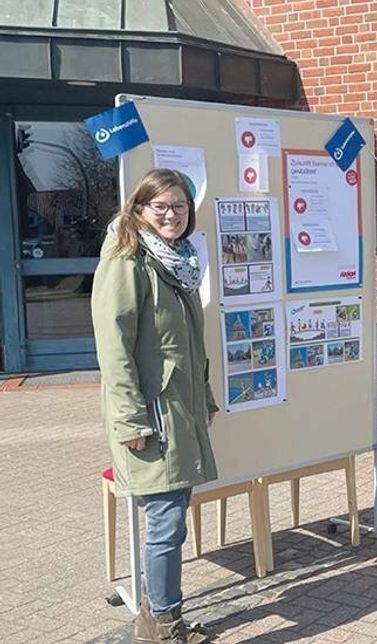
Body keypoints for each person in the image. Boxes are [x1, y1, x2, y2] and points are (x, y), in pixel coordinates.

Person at [91, 169, 218, 643]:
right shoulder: (128, 260)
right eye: (160, 206)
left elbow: (188, 346)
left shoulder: (176, 261)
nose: (171, 214)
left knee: (172, 518)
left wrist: (204, 397)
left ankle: (157, 617)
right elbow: (113, 347)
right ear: (140, 209)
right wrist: (130, 419)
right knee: (165, 524)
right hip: (150, 416)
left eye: (179, 206)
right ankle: (163, 627)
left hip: (179, 410)